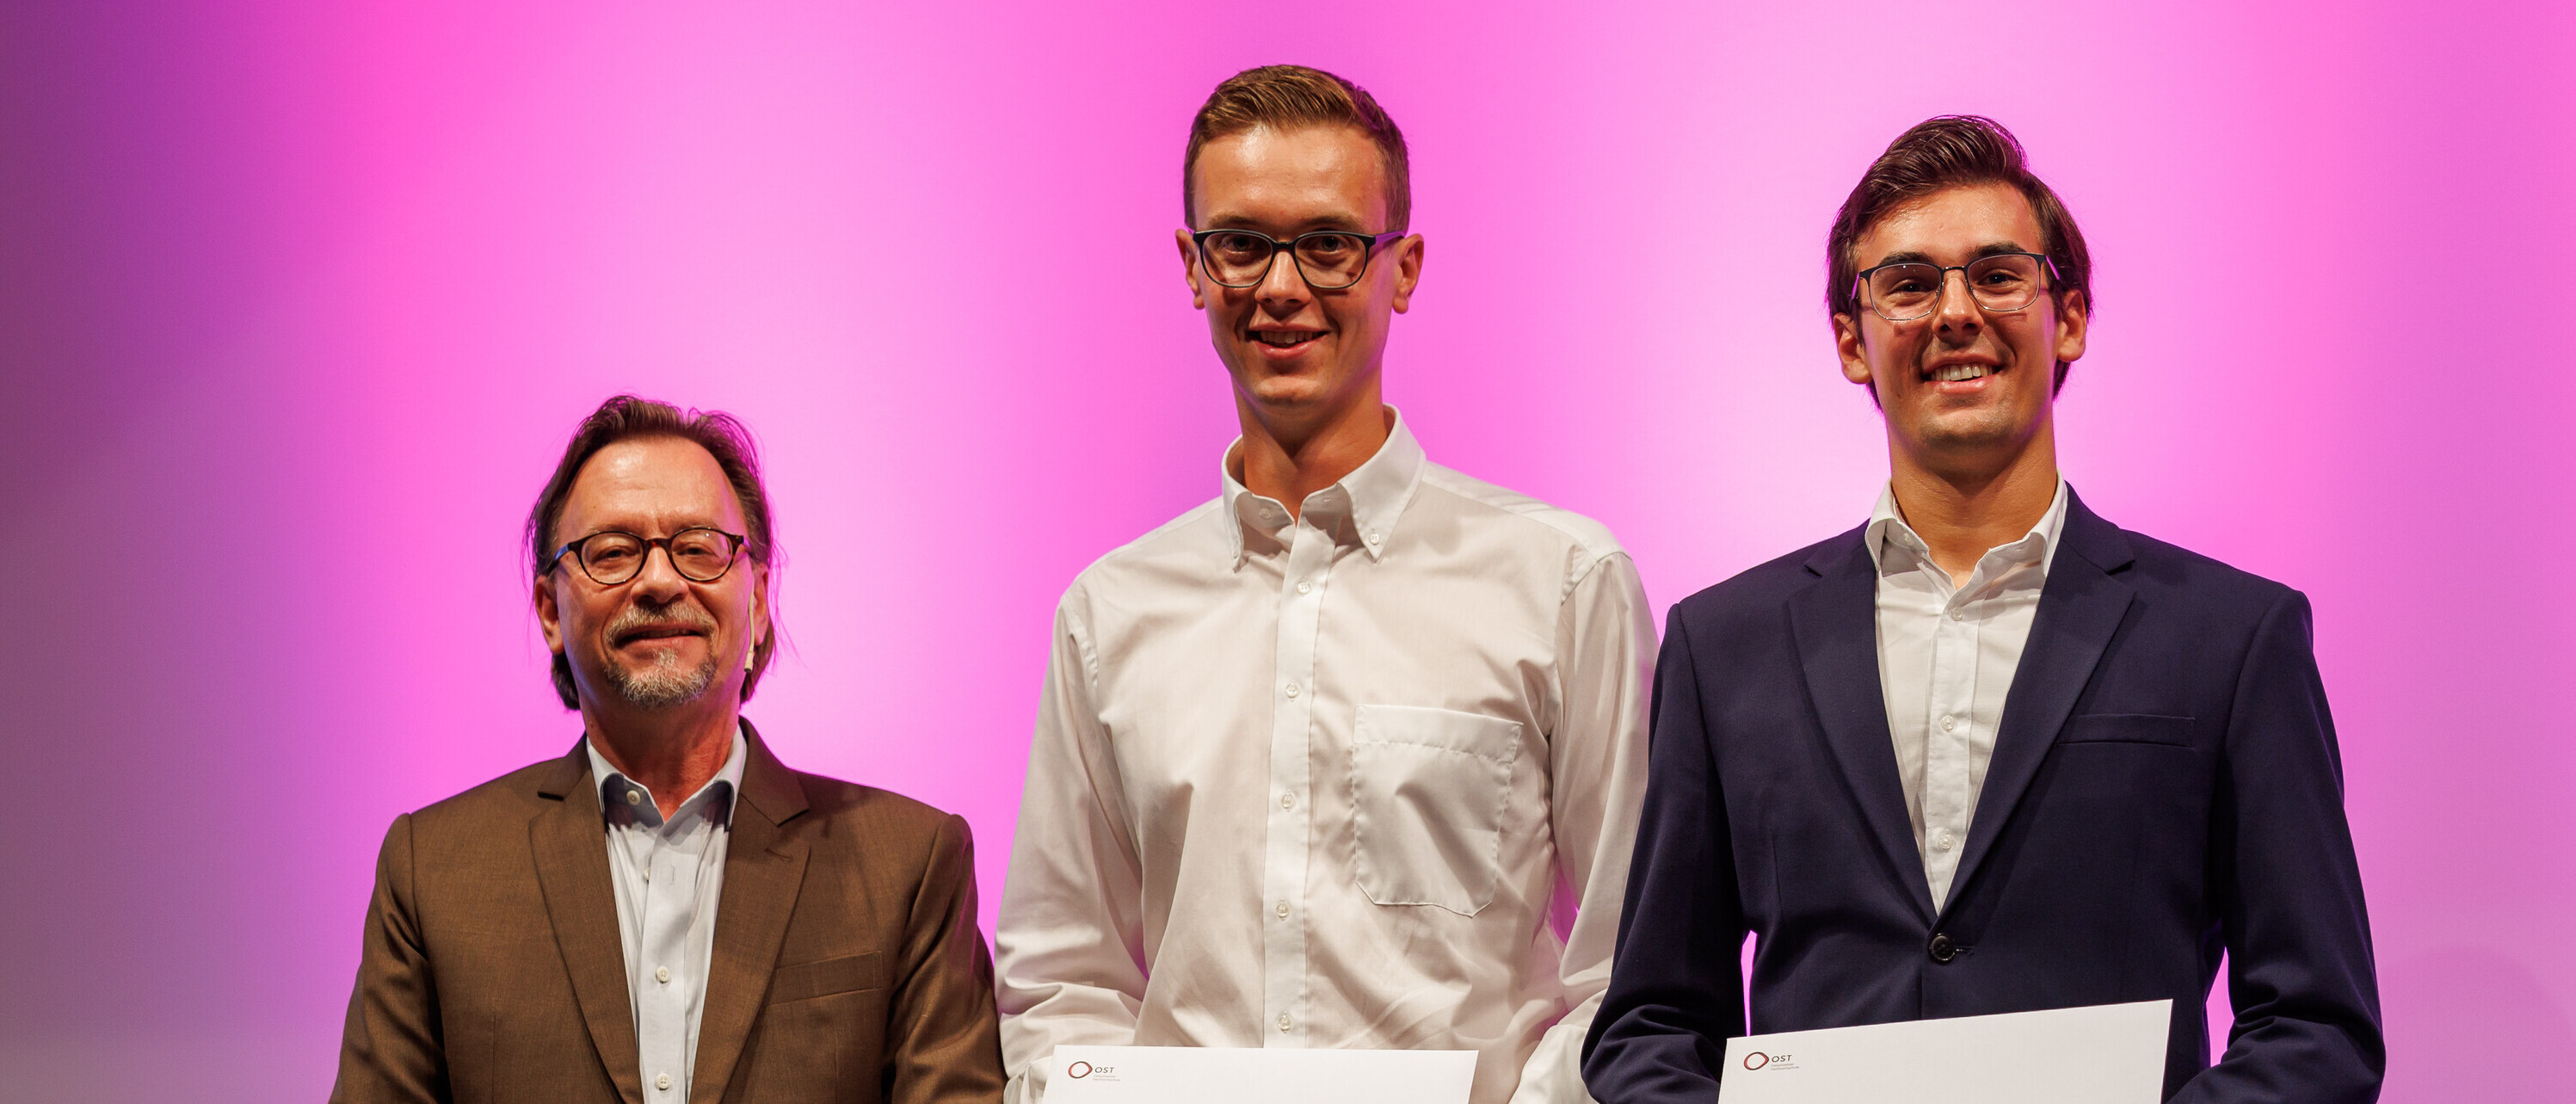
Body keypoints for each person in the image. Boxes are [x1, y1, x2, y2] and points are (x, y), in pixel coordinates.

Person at [1581, 116, 2383, 1102]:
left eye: (1998, 274)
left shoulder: (2231, 637)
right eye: (1910, 284)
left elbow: (2318, 1026)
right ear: (1851, 340)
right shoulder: (1722, 645)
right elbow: (1652, 1024)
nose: (1955, 312)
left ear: (2071, 318)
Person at [993, 65, 1655, 1104]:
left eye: (1330, 244)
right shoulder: (1108, 612)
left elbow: (1631, 968)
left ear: (1405, 267)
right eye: (1243, 244)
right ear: (1195, 266)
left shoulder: (1566, 581)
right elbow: (1060, 979)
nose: (1282, 286)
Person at [332, 396, 1005, 1104]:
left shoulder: (909, 865)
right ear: (548, 609)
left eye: (698, 548)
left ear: (760, 599)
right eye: (613, 552)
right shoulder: (434, 871)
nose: (659, 581)